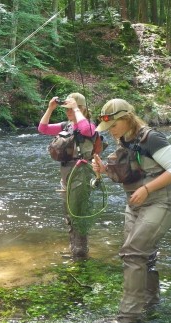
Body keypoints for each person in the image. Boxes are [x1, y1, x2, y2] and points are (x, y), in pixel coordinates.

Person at [92, 98, 171, 323]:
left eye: (113, 126)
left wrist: (147, 189)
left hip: (161, 202)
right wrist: (104, 170)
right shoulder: (124, 140)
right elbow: (128, 174)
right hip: (135, 205)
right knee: (144, 255)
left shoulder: (152, 138)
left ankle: (128, 317)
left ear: (127, 119)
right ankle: (151, 303)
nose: (111, 131)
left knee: (133, 253)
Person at [37, 92, 98, 260]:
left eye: (70, 109)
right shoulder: (67, 125)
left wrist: (77, 109)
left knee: (78, 212)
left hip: (81, 173)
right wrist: (50, 108)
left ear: (82, 108)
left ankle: (80, 252)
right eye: (67, 109)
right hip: (66, 173)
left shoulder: (90, 126)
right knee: (69, 214)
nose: (68, 112)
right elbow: (42, 128)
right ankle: (74, 249)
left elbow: (85, 129)